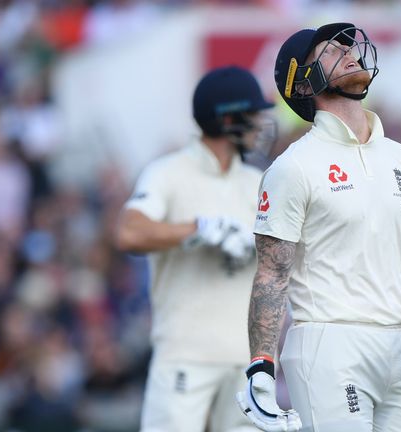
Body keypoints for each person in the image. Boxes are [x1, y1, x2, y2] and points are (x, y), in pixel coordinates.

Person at [236, 23, 401, 432]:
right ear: (304, 84)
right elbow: (272, 273)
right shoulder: (292, 168)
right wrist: (261, 365)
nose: (349, 52)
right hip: (328, 345)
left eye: (347, 47)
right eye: (330, 51)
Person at [115, 65, 273, 432]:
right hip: (186, 354)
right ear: (228, 119)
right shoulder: (168, 172)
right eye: (252, 115)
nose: (260, 125)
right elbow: (129, 232)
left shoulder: (258, 181)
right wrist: (199, 229)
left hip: (248, 360)